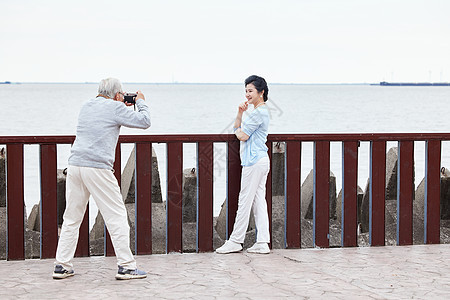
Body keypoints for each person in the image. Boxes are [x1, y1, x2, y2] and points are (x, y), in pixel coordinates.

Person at [53, 78, 151, 280]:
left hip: (75, 165)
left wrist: (119, 104)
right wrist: (139, 101)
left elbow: (104, 117)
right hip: (97, 168)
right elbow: (144, 121)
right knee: (116, 216)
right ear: (117, 95)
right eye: (122, 94)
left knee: (71, 218)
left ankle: (62, 265)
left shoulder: (86, 106)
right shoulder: (115, 108)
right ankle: (126, 266)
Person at [216, 75, 271, 254]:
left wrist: (238, 130)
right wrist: (240, 113)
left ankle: (236, 240)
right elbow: (239, 131)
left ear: (261, 92)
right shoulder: (258, 111)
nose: (247, 94)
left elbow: (242, 135)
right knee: (258, 202)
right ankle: (262, 242)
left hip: (254, 161)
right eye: (246, 91)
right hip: (259, 160)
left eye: (251, 91)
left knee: (245, 200)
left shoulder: (259, 112)